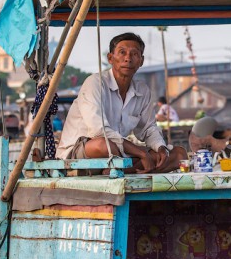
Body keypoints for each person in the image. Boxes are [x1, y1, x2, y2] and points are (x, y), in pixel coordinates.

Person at [56, 32, 186, 173]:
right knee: (102, 145)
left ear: (141, 61)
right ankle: (132, 168)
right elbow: (99, 131)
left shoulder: (142, 90)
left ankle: (124, 169)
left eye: (134, 54)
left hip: (119, 151)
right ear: (111, 58)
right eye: (122, 52)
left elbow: (148, 129)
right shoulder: (95, 83)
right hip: (82, 152)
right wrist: (141, 153)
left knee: (179, 154)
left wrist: (160, 148)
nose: (128, 59)